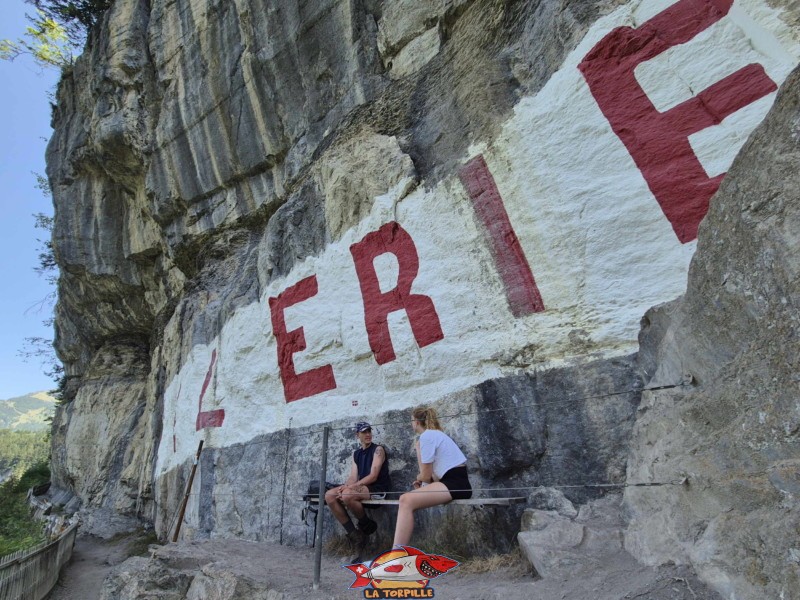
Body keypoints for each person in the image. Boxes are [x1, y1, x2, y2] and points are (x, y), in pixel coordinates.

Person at [393, 406, 472, 547]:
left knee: (405, 500)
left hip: (456, 483)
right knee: (408, 500)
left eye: (411, 420)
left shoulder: (427, 436)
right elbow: (431, 478)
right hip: (452, 482)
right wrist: (423, 485)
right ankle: (396, 554)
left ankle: (395, 556)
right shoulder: (433, 435)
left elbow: (425, 475)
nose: (411, 423)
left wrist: (421, 477)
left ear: (416, 422)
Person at [325, 421, 391, 555]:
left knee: (347, 495)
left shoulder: (378, 450)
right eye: (364, 432)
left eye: (369, 431)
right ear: (357, 435)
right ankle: (355, 535)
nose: (368, 434)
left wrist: (350, 488)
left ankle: (366, 525)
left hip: (377, 488)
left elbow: (373, 476)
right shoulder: (357, 454)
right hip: (362, 487)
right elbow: (353, 477)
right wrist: (344, 486)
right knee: (330, 496)